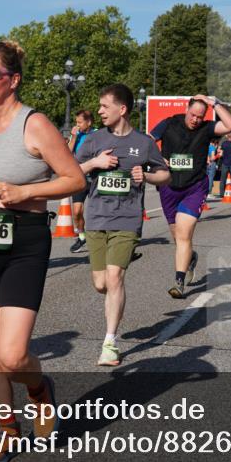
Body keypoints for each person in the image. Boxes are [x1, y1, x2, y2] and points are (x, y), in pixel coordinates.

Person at [0, 41, 85, 462]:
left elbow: (74, 179)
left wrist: (26, 192)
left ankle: (39, 390)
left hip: (25, 241)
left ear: (13, 80)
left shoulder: (35, 125)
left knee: (11, 355)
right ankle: (6, 429)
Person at [75, 84, 170, 366]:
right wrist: (95, 162)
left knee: (115, 277)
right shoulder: (93, 140)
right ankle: (113, 298)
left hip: (127, 219)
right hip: (96, 218)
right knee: (101, 283)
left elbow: (165, 174)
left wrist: (147, 176)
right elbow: (71, 171)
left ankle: (109, 342)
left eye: (105, 106)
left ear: (123, 109)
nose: (100, 111)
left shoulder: (144, 143)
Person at [150, 94, 231, 298]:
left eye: (200, 116)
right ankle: (190, 258)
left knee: (183, 234)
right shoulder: (169, 123)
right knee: (177, 236)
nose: (195, 120)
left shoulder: (207, 128)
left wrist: (214, 103)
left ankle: (178, 282)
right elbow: (148, 141)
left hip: (195, 187)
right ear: (186, 109)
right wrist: (158, 159)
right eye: (193, 115)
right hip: (169, 186)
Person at [67, 110, 96, 253]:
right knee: (77, 211)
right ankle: (82, 236)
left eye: (80, 122)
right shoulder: (76, 135)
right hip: (80, 177)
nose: (77, 125)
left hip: (95, 176)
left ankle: (101, 238)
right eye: (76, 122)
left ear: (89, 122)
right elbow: (67, 153)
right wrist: (73, 137)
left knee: (96, 211)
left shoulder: (98, 134)